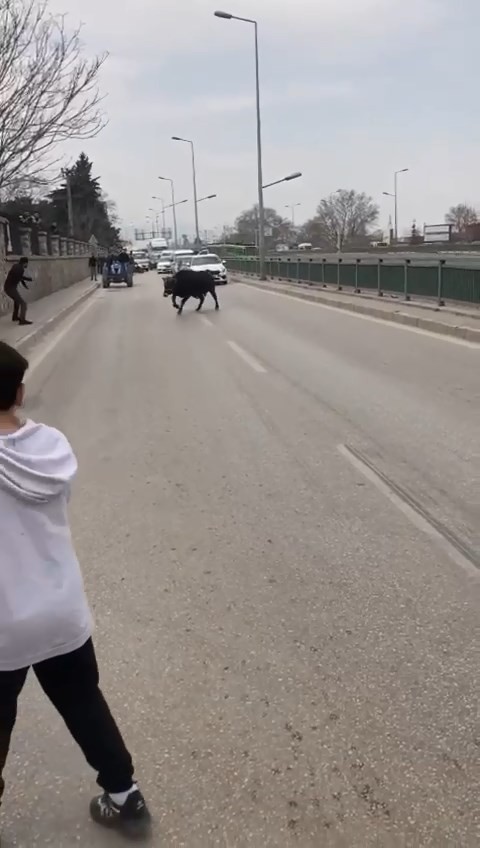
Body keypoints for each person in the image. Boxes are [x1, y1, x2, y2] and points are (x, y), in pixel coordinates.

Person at [0, 341, 151, 840]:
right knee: (84, 702)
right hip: (62, 610)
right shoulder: (52, 446)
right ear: (20, 392)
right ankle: (125, 797)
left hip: (4, 625)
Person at [3, 257, 32, 325]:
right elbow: (20, 277)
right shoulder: (20, 269)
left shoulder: (16, 266)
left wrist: (26, 284)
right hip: (10, 289)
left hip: (8, 287)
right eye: (27, 264)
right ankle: (22, 320)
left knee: (17, 301)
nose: (27, 265)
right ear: (25, 263)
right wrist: (28, 280)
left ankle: (15, 317)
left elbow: (19, 277)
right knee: (23, 303)